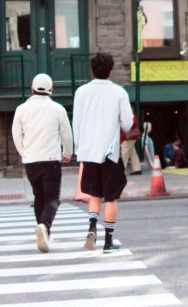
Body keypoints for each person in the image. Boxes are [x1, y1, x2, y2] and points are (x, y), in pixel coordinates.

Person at [72, 52, 133, 253]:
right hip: (110, 152)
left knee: (95, 194)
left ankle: (91, 228)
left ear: (92, 70)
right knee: (111, 198)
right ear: (111, 71)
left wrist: (78, 148)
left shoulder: (81, 92)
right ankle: (108, 241)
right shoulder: (119, 93)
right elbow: (127, 123)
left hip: (88, 152)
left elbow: (76, 123)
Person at [12, 73, 73, 254]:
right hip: (51, 159)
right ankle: (44, 227)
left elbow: (17, 135)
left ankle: (43, 230)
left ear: (32, 89)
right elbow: (67, 135)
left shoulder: (21, 109)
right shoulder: (58, 109)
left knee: (39, 197)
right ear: (51, 90)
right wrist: (67, 153)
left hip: (31, 160)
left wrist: (24, 152)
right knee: (52, 198)